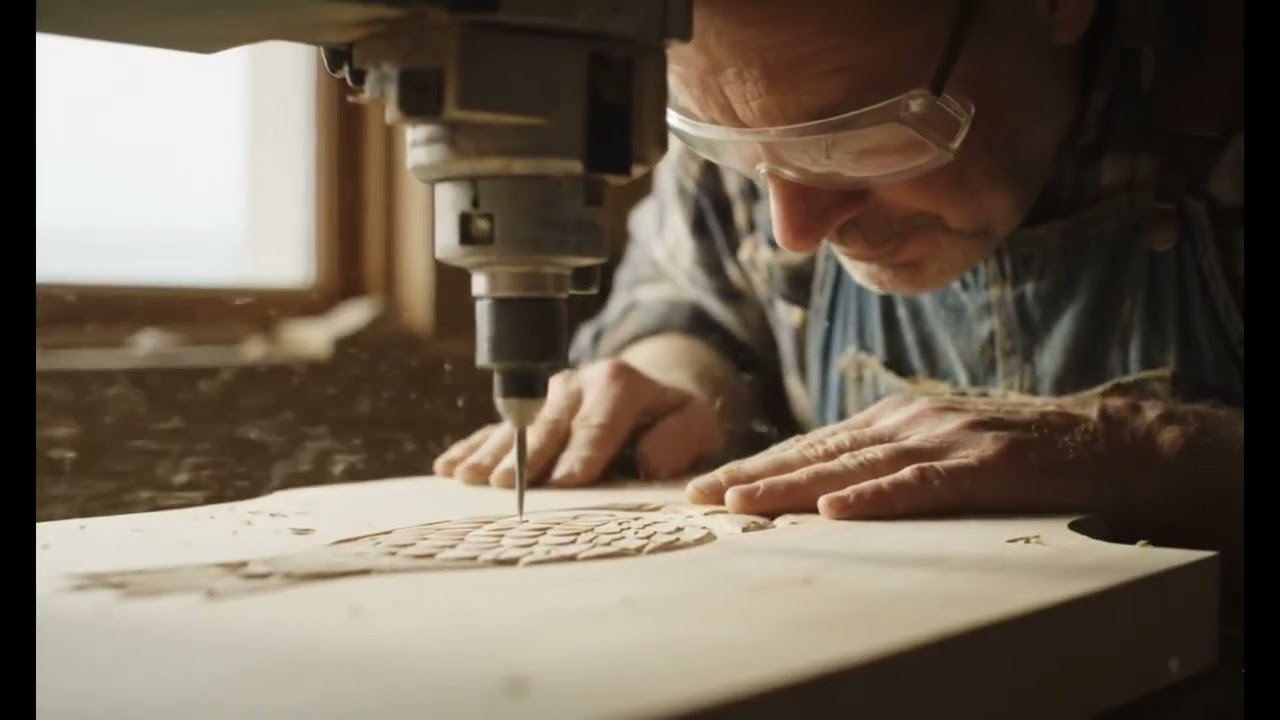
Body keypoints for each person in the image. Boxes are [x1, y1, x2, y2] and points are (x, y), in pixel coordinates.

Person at [434, 0, 1243, 614]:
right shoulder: (751, 98)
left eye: (855, 141)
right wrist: (674, 383)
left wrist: (1150, 451)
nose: (796, 228)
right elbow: (689, 303)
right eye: (738, 153)